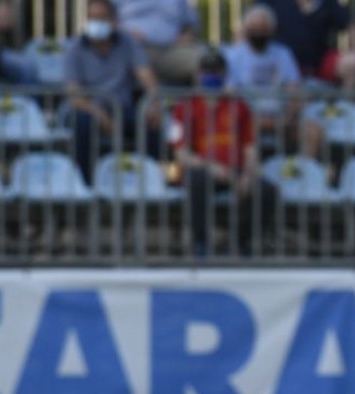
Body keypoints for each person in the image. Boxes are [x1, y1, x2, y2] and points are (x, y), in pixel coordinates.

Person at [170, 46, 279, 258]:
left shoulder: (239, 106)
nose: (211, 76)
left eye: (216, 72)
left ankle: (239, 243)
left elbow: (250, 147)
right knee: (197, 180)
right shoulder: (184, 107)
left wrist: (249, 174)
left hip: (235, 170)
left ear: (224, 74)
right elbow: (180, 153)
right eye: (206, 72)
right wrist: (212, 168)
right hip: (202, 169)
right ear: (197, 75)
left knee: (266, 191)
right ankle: (200, 243)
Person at [62, 0, 163, 183]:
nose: (97, 23)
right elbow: (75, 95)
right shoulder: (75, 49)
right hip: (90, 110)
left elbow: (145, 74)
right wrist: (102, 117)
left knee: (152, 123)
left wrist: (154, 105)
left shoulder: (127, 42)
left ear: (114, 21)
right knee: (82, 124)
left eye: (102, 18)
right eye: (92, 18)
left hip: (122, 110)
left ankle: (151, 181)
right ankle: (85, 184)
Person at [223, 5, 323, 159]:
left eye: (263, 27)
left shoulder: (283, 54)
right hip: (246, 120)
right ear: (246, 28)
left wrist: (286, 118)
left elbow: (294, 89)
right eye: (255, 27)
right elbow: (230, 93)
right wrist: (255, 120)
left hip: (282, 119)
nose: (259, 31)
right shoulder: (232, 56)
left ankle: (301, 175)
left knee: (313, 132)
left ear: (272, 30)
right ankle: (248, 178)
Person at [259, 0, 355, 91]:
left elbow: (350, 25)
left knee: (354, 63)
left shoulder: (326, 2)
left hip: (320, 62)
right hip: (284, 64)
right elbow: (253, 19)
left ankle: (344, 108)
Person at [116, 0, 202, 86]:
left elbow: (191, 25)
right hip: (133, 48)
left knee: (205, 60)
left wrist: (187, 35)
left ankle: (207, 98)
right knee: (139, 59)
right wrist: (125, 33)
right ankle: (155, 98)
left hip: (171, 50)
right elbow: (106, 17)